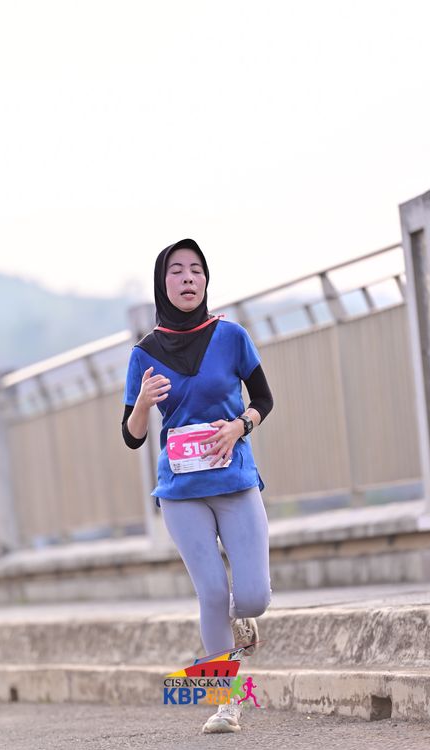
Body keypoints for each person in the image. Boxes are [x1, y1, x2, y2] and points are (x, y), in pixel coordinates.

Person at [121, 239, 274, 734]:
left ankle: (241, 619)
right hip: (180, 491)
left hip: (234, 481)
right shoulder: (144, 353)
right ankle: (226, 703)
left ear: (206, 280)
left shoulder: (231, 336)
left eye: (196, 270)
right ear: (162, 282)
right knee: (211, 592)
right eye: (177, 270)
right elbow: (131, 435)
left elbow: (264, 399)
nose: (188, 278)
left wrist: (240, 425)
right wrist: (143, 403)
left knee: (252, 598)